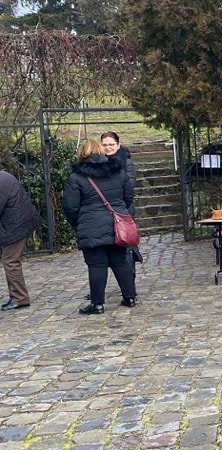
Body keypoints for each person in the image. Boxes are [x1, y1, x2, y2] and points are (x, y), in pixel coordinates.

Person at [62, 140, 138, 314]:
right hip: (117, 224)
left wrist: (78, 223)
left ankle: (97, 304)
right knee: (121, 262)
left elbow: (70, 207)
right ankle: (130, 297)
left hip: (90, 225)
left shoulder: (76, 177)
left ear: (82, 154)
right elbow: (128, 196)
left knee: (96, 265)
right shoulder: (118, 171)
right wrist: (120, 211)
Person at [0, 171, 41, 312]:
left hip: (16, 226)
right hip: (19, 222)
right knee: (10, 260)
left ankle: (20, 298)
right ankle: (17, 296)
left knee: (10, 261)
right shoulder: (4, 176)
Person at [101, 131, 142, 268]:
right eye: (105, 145)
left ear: (118, 145)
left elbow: (129, 186)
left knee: (126, 242)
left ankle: (129, 272)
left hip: (123, 208)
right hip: (105, 209)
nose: (108, 148)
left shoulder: (127, 163)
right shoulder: (99, 163)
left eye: (111, 144)